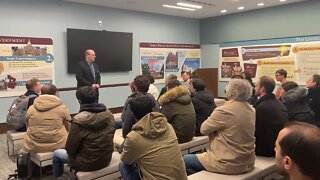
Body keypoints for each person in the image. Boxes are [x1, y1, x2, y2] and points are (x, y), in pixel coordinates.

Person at [184, 79, 255, 175]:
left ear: (231, 93)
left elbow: (203, 129)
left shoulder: (224, 110)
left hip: (228, 162)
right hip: (247, 160)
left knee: (184, 160)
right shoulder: (251, 110)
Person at [120, 94, 187, 180]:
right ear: (152, 110)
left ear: (133, 115)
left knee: (123, 165)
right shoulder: (168, 126)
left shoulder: (134, 137)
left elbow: (125, 159)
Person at [52, 86, 115, 178]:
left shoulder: (78, 120)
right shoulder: (109, 114)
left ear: (79, 101)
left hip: (85, 164)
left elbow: (70, 149)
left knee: (56, 154)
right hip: (106, 159)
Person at [21, 84, 71, 153]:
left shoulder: (31, 108)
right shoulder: (63, 108)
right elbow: (69, 127)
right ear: (55, 93)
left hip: (33, 145)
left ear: (41, 93)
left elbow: (28, 126)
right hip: (59, 144)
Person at [253, 76, 288, 157]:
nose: (254, 88)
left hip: (265, 150)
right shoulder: (279, 103)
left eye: (256, 86)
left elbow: (255, 131)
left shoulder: (262, 107)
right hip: (278, 146)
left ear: (262, 89)